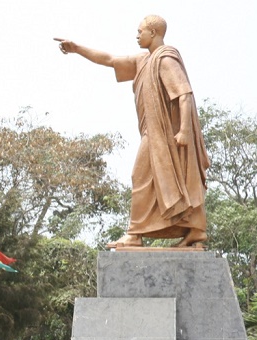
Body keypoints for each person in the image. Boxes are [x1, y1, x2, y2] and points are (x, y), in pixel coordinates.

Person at [55, 15, 210, 248]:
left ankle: (135, 234)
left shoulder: (166, 60)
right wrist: (77, 48)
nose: (137, 36)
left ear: (154, 33)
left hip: (165, 136)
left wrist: (185, 131)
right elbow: (109, 59)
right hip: (153, 132)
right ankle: (194, 231)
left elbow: (184, 94)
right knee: (159, 181)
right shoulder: (142, 60)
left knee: (141, 176)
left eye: (140, 31)